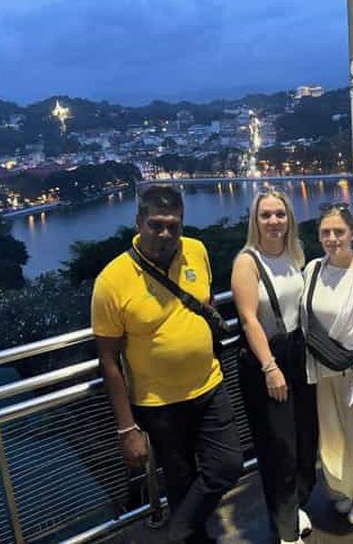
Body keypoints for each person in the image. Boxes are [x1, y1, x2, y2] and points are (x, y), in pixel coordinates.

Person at [92, 183, 242, 544]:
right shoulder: (111, 280)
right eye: (156, 224)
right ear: (139, 222)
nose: (165, 234)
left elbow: (206, 302)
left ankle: (177, 532)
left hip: (209, 385)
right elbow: (109, 360)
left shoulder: (196, 251)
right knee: (180, 482)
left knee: (227, 466)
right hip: (158, 404)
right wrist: (126, 429)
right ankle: (191, 538)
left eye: (173, 225)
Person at [231, 188, 317, 544]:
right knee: (278, 446)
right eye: (265, 215)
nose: (273, 221)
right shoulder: (247, 261)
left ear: (289, 218)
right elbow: (249, 319)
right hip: (267, 359)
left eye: (280, 214)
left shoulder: (294, 252)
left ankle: (296, 504)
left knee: (306, 437)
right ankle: (285, 531)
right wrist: (270, 367)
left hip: (298, 352)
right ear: (255, 220)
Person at [300, 203, 353, 526]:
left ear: (352, 233)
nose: (332, 238)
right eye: (326, 232)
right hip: (323, 370)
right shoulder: (313, 270)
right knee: (332, 437)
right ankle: (340, 490)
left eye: (339, 231)